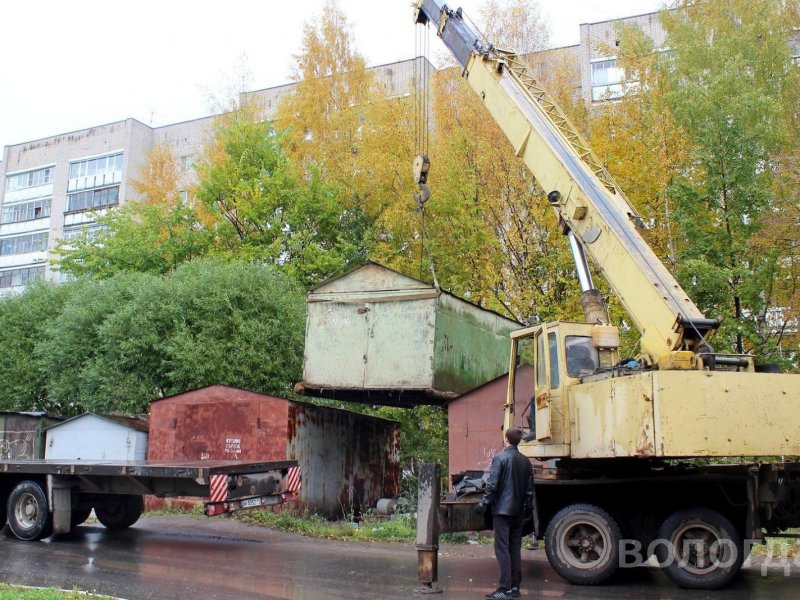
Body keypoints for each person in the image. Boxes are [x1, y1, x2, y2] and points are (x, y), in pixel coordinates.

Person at [476, 427, 535, 599]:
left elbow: (493, 486)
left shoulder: (500, 458)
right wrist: (528, 510)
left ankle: (503, 588)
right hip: (518, 512)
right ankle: (515, 588)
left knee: (501, 548)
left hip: (502, 511)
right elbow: (529, 490)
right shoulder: (526, 462)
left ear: (506, 439)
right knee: (514, 548)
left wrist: (482, 504)